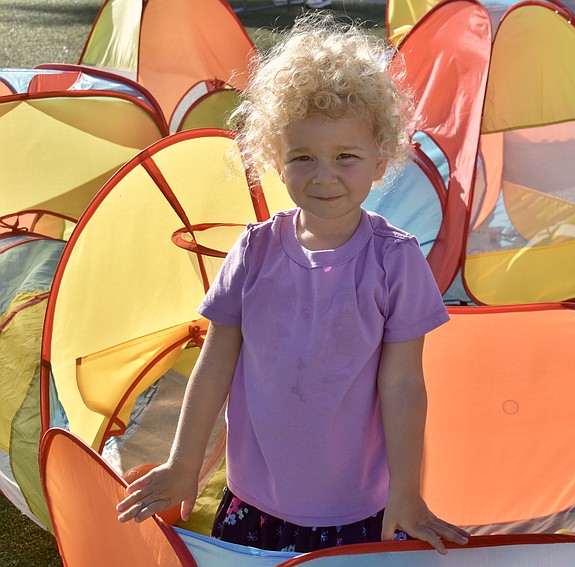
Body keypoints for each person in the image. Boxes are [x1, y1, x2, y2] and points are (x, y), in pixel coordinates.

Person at [116, 13, 469, 555]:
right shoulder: (254, 252)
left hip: (358, 506)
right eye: (303, 157)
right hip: (254, 500)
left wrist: (407, 492)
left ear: (380, 158)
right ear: (275, 159)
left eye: (345, 157)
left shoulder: (395, 261)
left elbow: (403, 386)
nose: (324, 175)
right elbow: (214, 364)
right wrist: (184, 466)